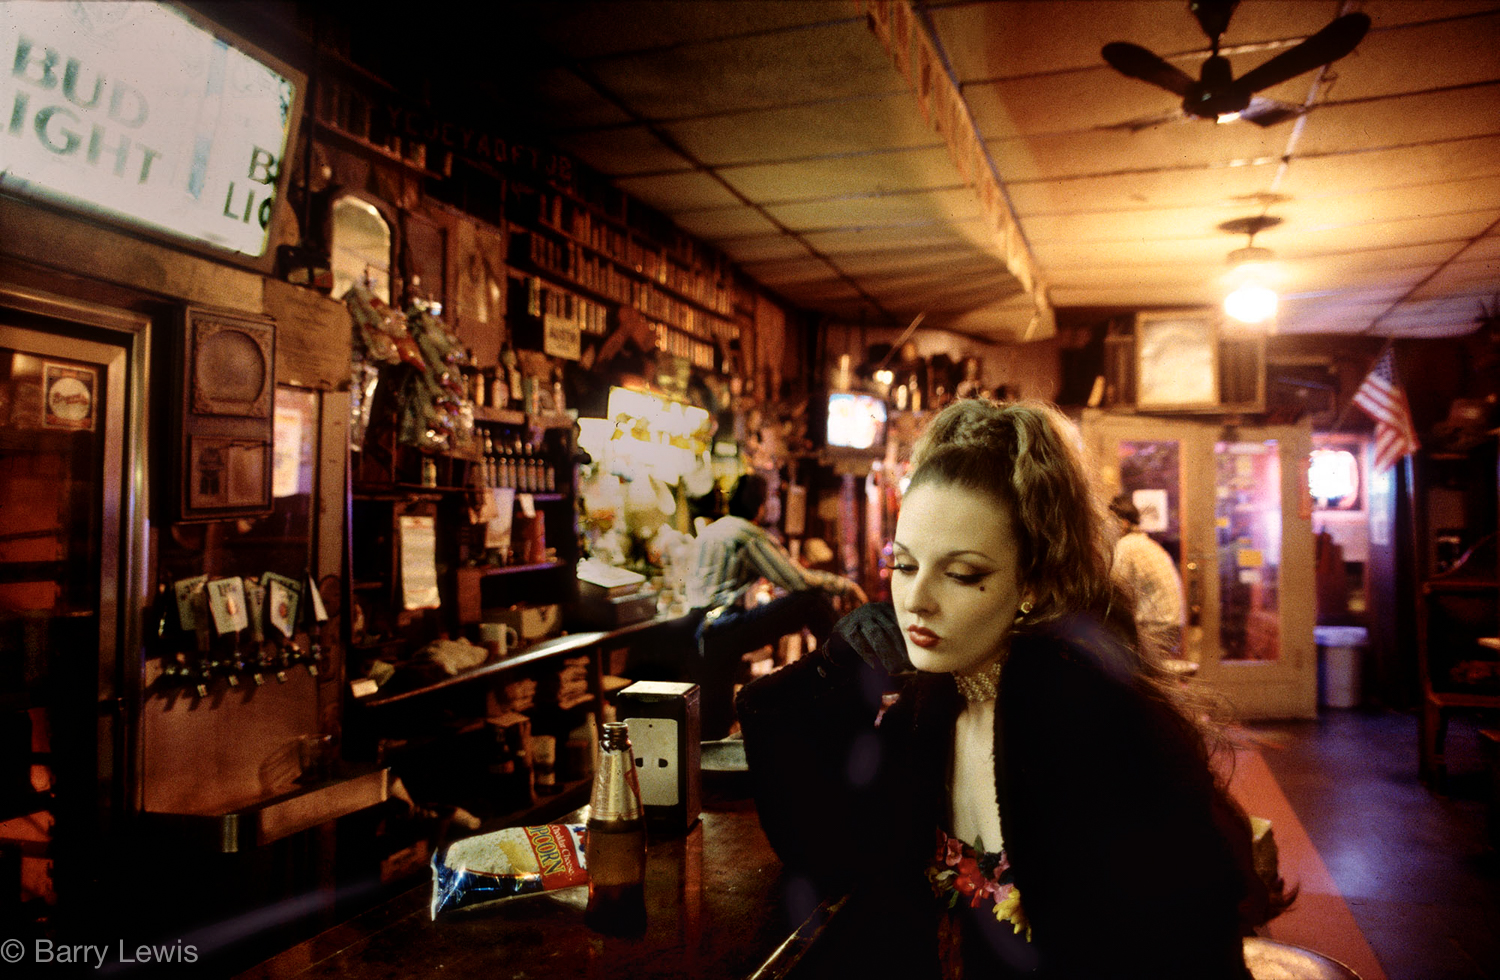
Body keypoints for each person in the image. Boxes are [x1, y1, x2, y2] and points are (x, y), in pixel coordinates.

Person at [737, 399, 1288, 979]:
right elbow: (822, 849)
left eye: (962, 574)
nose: (917, 600)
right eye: (904, 565)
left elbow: (1184, 952)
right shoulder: (934, 702)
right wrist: (830, 672)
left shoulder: (1093, 726)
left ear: (1033, 579)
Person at [687, 472, 866, 739]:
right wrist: (846, 585)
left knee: (715, 724)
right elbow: (797, 580)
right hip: (724, 626)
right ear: (761, 507)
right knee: (812, 601)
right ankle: (847, 676)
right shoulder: (745, 533)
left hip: (701, 629)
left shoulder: (712, 530)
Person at [1108, 493, 1187, 660]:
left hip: (1155, 626)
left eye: (1109, 522)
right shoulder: (1145, 543)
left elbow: (1116, 593)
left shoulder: (1126, 547)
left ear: (1123, 523)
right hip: (1171, 623)